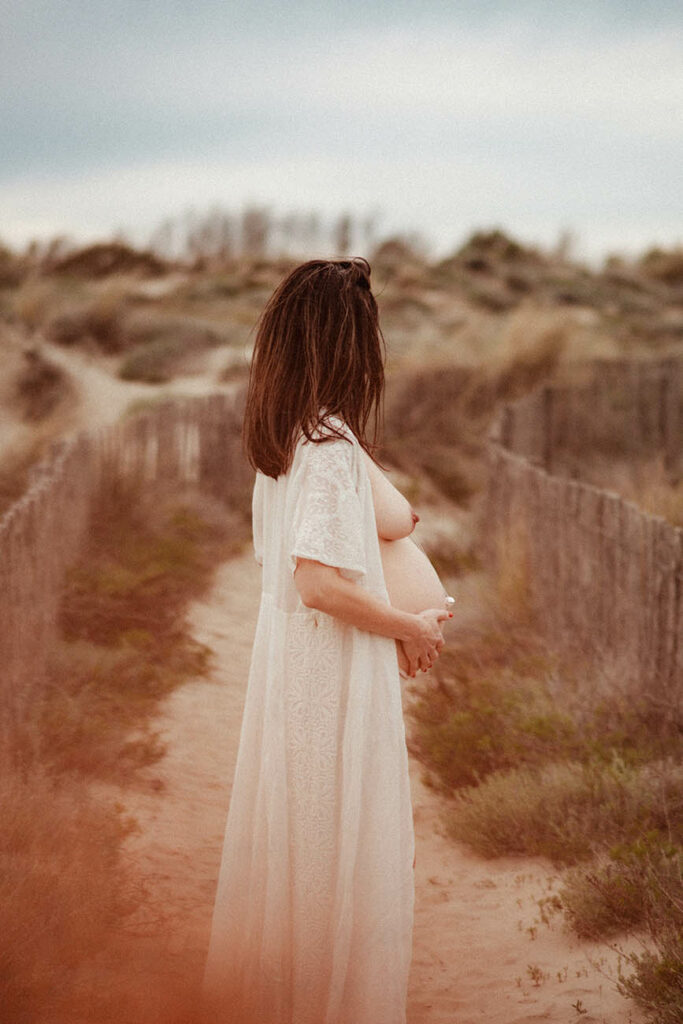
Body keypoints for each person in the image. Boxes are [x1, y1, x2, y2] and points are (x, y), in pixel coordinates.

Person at [201, 257, 450, 1024]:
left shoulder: (289, 444)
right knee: (332, 852)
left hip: (301, 664)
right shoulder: (327, 449)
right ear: (350, 344)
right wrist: (407, 624)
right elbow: (318, 583)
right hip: (328, 671)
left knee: (301, 849)